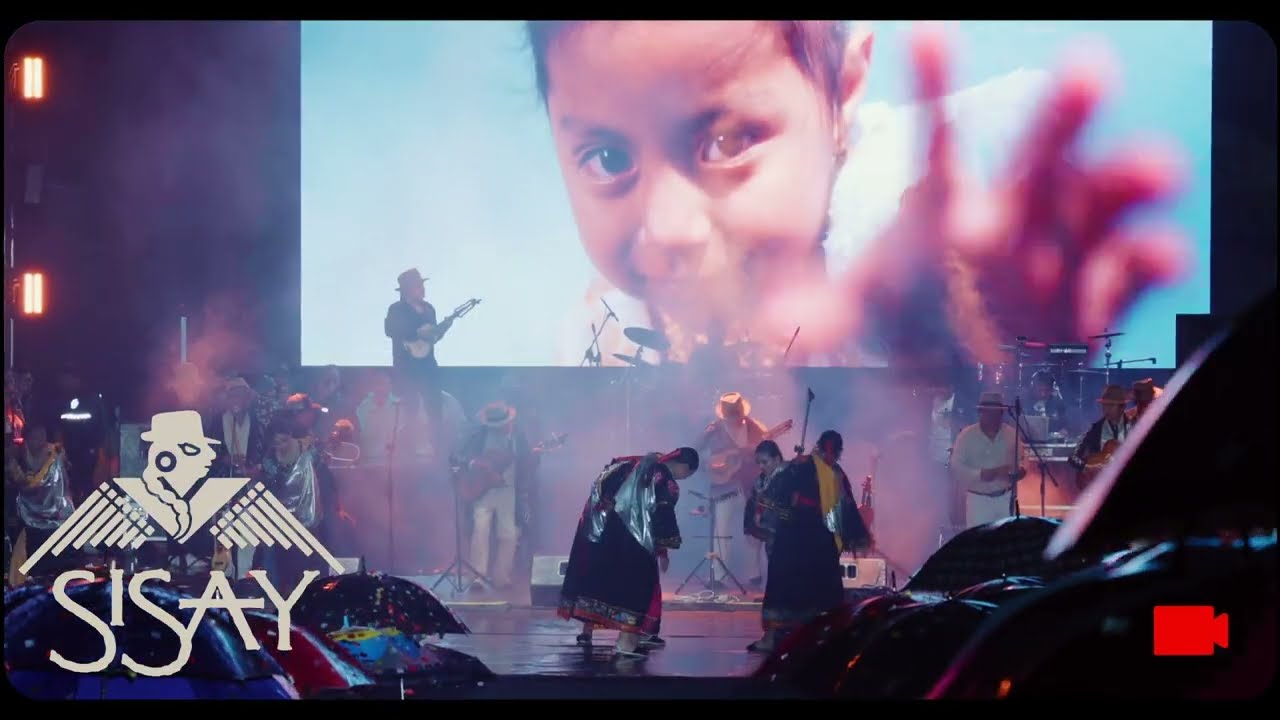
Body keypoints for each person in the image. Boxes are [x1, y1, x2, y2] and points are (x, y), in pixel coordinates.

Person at [529, 20, 1189, 371]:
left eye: (729, 142)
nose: (668, 228)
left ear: (844, 91)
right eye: (609, 157)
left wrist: (980, 329)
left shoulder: (893, 208)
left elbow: (930, 267)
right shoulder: (602, 325)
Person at [559, 447, 697, 656]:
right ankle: (626, 643)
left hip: (604, 533)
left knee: (598, 581)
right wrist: (664, 547)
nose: (682, 477)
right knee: (637, 589)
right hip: (635, 541)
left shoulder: (632, 464)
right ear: (684, 467)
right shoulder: (666, 482)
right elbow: (663, 514)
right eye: (686, 474)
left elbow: (601, 488)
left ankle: (588, 630)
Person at [755, 430, 867, 653]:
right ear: (837, 452)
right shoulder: (812, 468)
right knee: (795, 590)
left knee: (794, 591)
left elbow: (773, 496)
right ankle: (783, 638)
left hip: (805, 542)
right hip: (804, 541)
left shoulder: (807, 467)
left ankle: (789, 639)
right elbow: (842, 510)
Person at [454, 402, 535, 593]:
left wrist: (532, 458)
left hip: (509, 491)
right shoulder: (478, 436)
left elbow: (528, 461)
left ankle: (501, 577)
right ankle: (477, 577)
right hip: (483, 491)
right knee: (480, 531)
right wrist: (480, 467)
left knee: (509, 534)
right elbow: (461, 456)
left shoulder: (518, 437)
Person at [696, 392, 770, 586]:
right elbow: (697, 452)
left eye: (737, 413)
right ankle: (719, 577)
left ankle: (754, 574)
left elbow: (768, 456)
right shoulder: (713, 430)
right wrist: (714, 463)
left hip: (750, 486)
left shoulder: (756, 429)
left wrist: (753, 451)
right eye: (731, 414)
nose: (735, 418)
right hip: (723, 486)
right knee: (722, 532)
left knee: (753, 531)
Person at [384, 268, 453, 445]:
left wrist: (442, 329)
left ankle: (438, 449)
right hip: (406, 369)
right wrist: (416, 333)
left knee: (434, 409)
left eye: (422, 285)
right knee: (410, 411)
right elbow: (390, 330)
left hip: (428, 367)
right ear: (408, 289)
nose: (422, 289)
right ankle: (407, 453)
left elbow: (433, 338)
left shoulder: (429, 309)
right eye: (418, 286)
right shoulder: (396, 309)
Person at [950, 392, 1026, 528]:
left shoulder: (1011, 434)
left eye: (997, 413)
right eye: (989, 413)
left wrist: (1020, 471)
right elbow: (956, 466)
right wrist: (980, 474)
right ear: (981, 412)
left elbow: (1023, 459)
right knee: (979, 544)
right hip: (978, 500)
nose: (993, 417)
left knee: (1006, 543)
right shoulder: (966, 435)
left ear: (1002, 414)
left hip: (1006, 498)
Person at [743, 440, 788, 593]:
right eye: (758, 463)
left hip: (785, 531)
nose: (761, 466)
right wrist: (750, 524)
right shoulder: (760, 480)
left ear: (777, 459)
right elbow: (752, 503)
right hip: (767, 531)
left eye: (765, 462)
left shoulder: (789, 477)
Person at [1069, 384, 1133, 491]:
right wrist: (1087, 467)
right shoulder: (1096, 429)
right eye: (1104, 406)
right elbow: (1072, 457)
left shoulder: (1135, 427)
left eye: (1111, 406)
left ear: (1122, 407)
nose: (1106, 410)